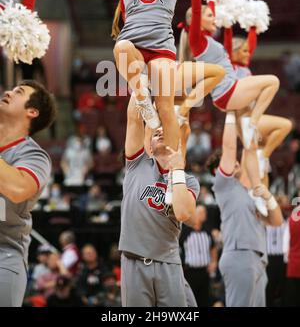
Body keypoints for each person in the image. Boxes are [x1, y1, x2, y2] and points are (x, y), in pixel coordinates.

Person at [96, 0, 214, 151]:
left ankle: (172, 166)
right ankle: (142, 101)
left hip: (161, 48)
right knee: (121, 47)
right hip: (134, 45)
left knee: (166, 107)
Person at [187, 0, 280, 193]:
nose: (214, 18)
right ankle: (254, 123)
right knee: (273, 82)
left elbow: (223, 30)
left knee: (249, 146)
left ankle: (256, 188)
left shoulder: (211, 40)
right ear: (197, 20)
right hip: (229, 91)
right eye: (209, 15)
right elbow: (196, 10)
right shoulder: (198, 41)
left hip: (228, 93)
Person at [119, 94, 200, 307]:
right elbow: (134, 119)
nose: (161, 132)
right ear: (149, 146)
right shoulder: (137, 164)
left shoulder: (189, 181)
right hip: (134, 261)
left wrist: (178, 169)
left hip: (168, 262)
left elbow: (184, 213)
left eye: (166, 129)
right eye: (155, 133)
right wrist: (141, 79)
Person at [209, 111, 283, 307]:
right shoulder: (224, 186)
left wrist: (268, 197)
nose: (235, 161)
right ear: (219, 171)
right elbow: (230, 147)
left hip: (258, 260)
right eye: (229, 161)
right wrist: (232, 113)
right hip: (240, 255)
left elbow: (277, 222)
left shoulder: (247, 191)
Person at [0, 79, 56, 307]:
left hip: (4, 255)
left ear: (32, 111)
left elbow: (17, 189)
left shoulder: (35, 156)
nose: (7, 92)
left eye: (18, 92)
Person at [224, 26, 292, 182]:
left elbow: (252, 44)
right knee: (284, 125)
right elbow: (227, 44)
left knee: (258, 174)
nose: (248, 54)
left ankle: (263, 157)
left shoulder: (244, 67)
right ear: (233, 52)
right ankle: (264, 155)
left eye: (248, 51)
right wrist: (227, 26)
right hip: (243, 117)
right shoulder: (229, 66)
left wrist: (253, 26)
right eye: (244, 51)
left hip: (250, 115)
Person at [181, 204, 218, 307]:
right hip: (189, 272)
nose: (204, 214)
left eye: (204, 212)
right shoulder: (185, 231)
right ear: (195, 214)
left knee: (205, 300)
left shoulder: (207, 230)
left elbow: (213, 247)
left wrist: (214, 261)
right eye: (201, 212)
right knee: (190, 302)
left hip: (204, 272)